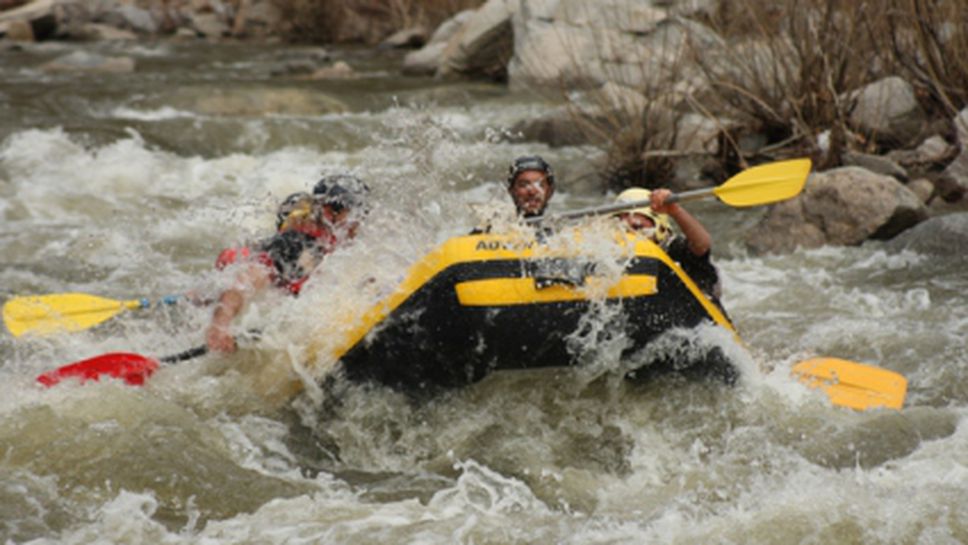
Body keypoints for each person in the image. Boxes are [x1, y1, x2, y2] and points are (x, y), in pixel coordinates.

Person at [205, 174, 369, 353]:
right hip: (234, 293)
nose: (362, 221)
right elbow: (245, 281)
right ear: (330, 212)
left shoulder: (341, 245)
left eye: (364, 213)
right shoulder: (297, 245)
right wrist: (220, 326)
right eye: (358, 213)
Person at [615, 187, 721, 301]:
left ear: (660, 229)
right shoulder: (610, 257)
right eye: (622, 228)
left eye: (637, 227)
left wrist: (675, 211)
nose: (628, 235)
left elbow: (702, 245)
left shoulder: (672, 249)